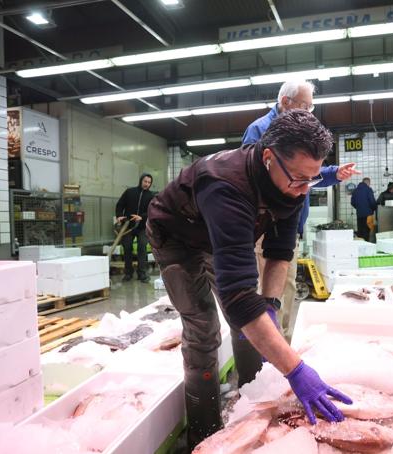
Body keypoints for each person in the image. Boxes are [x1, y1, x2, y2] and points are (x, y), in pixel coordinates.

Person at [147, 110, 352, 449]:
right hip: (176, 236)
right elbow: (239, 297)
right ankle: (206, 433)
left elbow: (280, 253)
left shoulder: (291, 185)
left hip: (216, 236)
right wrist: (296, 371)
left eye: (311, 180)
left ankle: (251, 408)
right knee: (203, 330)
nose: (304, 191)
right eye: (299, 179)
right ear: (269, 158)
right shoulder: (225, 185)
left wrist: (270, 305)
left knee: (251, 323)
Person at [242, 79, 359, 333]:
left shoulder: (301, 131)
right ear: (286, 102)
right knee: (266, 286)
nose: (308, 113)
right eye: (305, 106)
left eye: (311, 108)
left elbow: (305, 173)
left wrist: (333, 174)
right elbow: (250, 178)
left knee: (288, 286)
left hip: (291, 223)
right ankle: (264, 346)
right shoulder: (260, 129)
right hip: (266, 225)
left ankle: (281, 343)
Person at [115, 173, 155, 283]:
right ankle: (128, 273)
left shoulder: (151, 196)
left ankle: (142, 273)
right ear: (141, 181)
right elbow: (120, 204)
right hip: (128, 225)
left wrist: (141, 217)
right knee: (127, 247)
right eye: (145, 181)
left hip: (142, 227)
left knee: (142, 247)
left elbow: (152, 211)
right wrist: (119, 215)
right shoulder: (130, 192)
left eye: (149, 182)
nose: (147, 184)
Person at [350, 177, 376, 241]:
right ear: (368, 182)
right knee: (367, 231)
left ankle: (361, 247)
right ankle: (367, 247)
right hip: (368, 215)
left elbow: (352, 202)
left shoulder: (355, 190)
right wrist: (373, 209)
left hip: (359, 214)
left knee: (360, 231)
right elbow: (372, 202)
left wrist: (359, 208)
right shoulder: (368, 189)